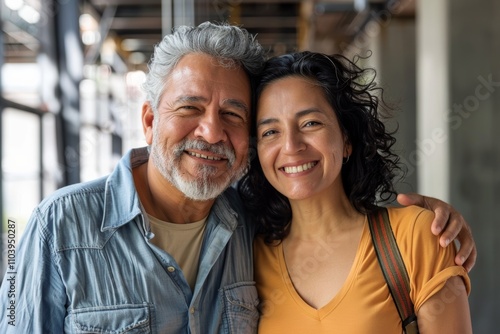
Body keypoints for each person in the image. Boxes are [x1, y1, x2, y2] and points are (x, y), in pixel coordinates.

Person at [0, 22, 474, 333]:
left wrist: (433, 218)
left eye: (232, 114)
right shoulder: (57, 227)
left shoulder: (249, 226)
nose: (210, 132)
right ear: (148, 120)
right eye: (189, 108)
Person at [238, 51, 472, 333]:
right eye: (270, 132)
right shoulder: (247, 257)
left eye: (311, 123)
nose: (291, 146)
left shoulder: (415, 236)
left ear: (346, 139)